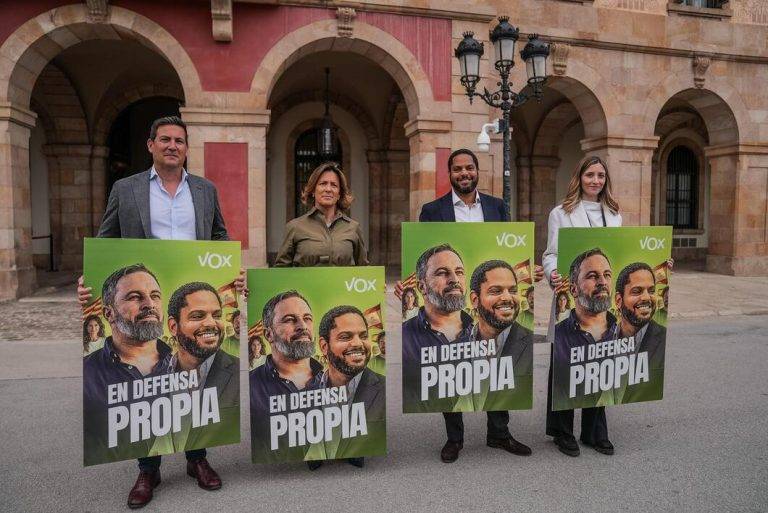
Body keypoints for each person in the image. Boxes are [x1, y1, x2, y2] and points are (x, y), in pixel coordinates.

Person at [77, 116, 246, 508]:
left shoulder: (204, 190)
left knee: (188, 375)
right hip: (146, 294)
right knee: (146, 380)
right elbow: (106, 241)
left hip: (189, 290)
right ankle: (148, 468)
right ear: (151, 145)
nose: (173, 146)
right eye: (165, 139)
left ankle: (196, 458)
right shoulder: (126, 188)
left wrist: (230, 269)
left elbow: (219, 235)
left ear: (186, 148)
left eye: (179, 141)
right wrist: (90, 280)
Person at [397, 148, 543, 464]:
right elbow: (422, 256)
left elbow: (507, 248)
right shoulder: (432, 211)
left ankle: (499, 433)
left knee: (495, 364)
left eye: (469, 168)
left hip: (480, 305)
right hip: (451, 304)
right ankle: (454, 438)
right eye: (458, 169)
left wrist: (530, 271)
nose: (464, 173)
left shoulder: (496, 207)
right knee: (451, 367)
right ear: (449, 174)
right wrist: (405, 283)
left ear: (477, 171)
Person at [542, 156, 622, 458]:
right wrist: (553, 274)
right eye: (590, 174)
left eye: (601, 175)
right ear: (579, 177)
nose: (595, 181)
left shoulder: (614, 214)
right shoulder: (561, 213)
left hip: (600, 301)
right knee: (566, 365)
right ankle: (562, 431)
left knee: (600, 363)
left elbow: (622, 255)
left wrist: (659, 263)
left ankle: (594, 432)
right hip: (571, 300)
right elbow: (550, 254)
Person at [83, 264, 172, 467]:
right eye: (134, 297)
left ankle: (197, 460)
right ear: (109, 313)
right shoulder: (89, 371)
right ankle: (148, 469)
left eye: (155, 296)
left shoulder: (183, 362)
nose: (149, 304)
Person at [248, 291, 323, 463]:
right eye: (289, 319)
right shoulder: (251, 386)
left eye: (307, 318)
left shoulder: (335, 380)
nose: (302, 326)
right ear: (269, 334)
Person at [164, 282, 240, 453]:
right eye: (198, 316)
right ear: (173, 326)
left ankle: (197, 459)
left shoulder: (239, 372)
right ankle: (149, 466)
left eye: (217, 315)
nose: (211, 323)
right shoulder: (151, 371)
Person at [468, 260, 534, 432]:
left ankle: (499, 435)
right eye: (496, 291)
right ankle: (455, 440)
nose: (507, 298)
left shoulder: (528, 342)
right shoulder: (456, 341)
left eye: (513, 290)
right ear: (475, 299)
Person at [316, 306, 386, 462]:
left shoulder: (384, 389)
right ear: (324, 346)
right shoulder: (302, 390)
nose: (358, 343)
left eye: (363, 336)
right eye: (345, 337)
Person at [274, 162, 368, 267]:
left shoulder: (353, 228)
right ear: (313, 191)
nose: (328, 189)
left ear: (339, 194)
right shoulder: (295, 227)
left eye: (334, 185)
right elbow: (280, 270)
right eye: (323, 184)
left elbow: (363, 269)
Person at [613, 262, 666, 403]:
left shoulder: (662, 338)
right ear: (618, 300)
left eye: (651, 291)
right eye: (637, 291)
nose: (647, 298)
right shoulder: (602, 337)